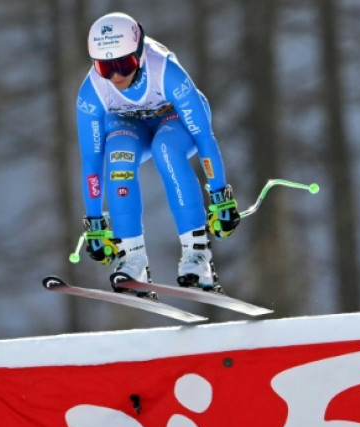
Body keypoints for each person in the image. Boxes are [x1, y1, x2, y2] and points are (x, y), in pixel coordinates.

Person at [75, 12, 240, 296]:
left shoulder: (165, 71)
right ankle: (132, 260)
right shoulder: (92, 92)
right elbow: (91, 161)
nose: (116, 77)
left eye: (124, 65)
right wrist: (95, 224)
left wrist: (220, 196)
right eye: (105, 68)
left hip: (174, 119)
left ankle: (197, 256)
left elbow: (204, 138)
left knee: (166, 150)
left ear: (139, 54)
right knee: (118, 156)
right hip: (129, 125)